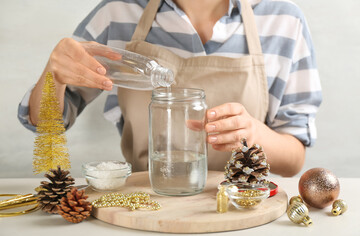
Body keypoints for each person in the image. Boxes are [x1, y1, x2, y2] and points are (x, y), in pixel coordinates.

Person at [18, 0, 322, 177]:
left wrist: (254, 136)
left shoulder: (283, 20)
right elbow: (46, 125)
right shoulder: (118, 14)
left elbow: (294, 159)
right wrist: (53, 76)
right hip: (144, 210)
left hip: (243, 211)